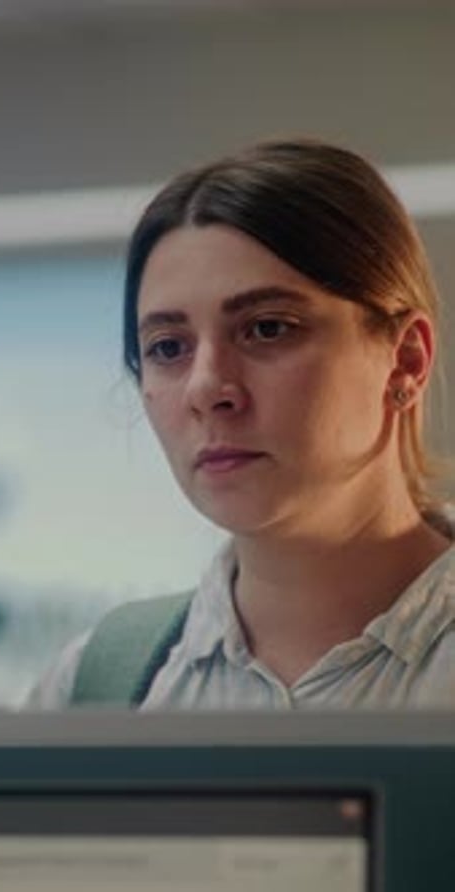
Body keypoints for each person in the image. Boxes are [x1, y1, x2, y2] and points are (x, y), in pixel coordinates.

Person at [27, 138, 455, 710]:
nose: (207, 389)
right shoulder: (98, 689)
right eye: (168, 346)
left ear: (406, 359)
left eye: (268, 328)